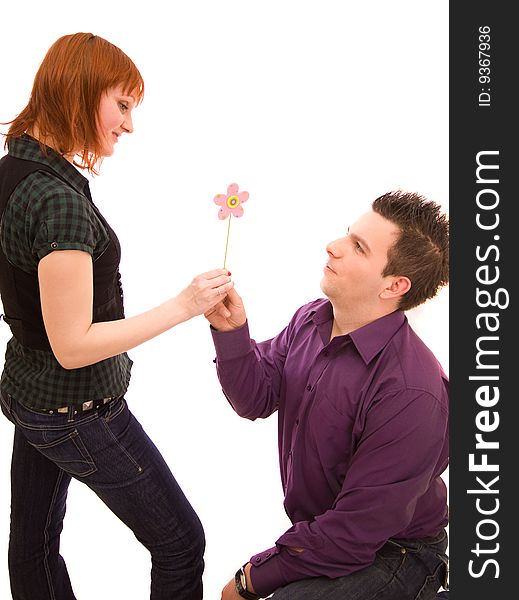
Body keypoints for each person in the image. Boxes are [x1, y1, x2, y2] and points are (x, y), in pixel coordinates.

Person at [0, 32, 234, 600]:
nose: (128, 125)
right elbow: (73, 346)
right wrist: (184, 306)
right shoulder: (58, 203)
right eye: (122, 105)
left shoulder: (11, 170)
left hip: (27, 393)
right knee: (181, 541)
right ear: (80, 93)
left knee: (32, 545)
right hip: (76, 409)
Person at [205, 190, 450, 600]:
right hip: (331, 536)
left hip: (396, 553)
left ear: (394, 285)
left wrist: (252, 577)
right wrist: (232, 332)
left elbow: (354, 533)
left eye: (358, 247)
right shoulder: (311, 319)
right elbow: (256, 397)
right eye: (347, 234)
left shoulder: (412, 393)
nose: (333, 247)